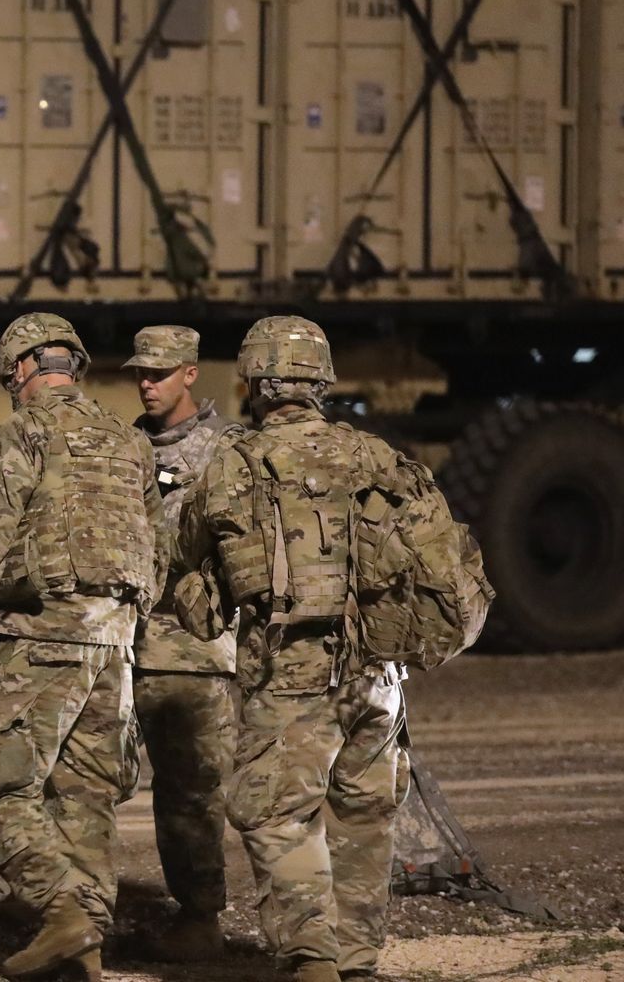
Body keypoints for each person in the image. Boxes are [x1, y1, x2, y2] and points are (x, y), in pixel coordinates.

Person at [180, 317, 408, 982]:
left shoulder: (238, 460)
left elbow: (186, 550)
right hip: (379, 672)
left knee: (274, 810)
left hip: (292, 668)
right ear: (320, 381)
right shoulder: (373, 455)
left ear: (254, 381)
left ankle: (312, 957)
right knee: (363, 815)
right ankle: (357, 962)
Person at [0, 312, 161, 981]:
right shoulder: (129, 442)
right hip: (114, 640)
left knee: (4, 789)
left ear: (19, 370)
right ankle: (86, 946)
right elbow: (150, 536)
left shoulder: (25, 431)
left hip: (41, 637)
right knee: (86, 793)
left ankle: (59, 910)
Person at [124, 325, 244, 961]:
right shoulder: (126, 447)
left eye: (160, 373)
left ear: (191, 373)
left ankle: (202, 916)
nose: (147, 383)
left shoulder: (229, 451)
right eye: (140, 373)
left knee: (192, 792)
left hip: (195, 649)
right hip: (125, 643)